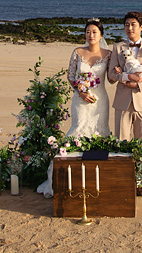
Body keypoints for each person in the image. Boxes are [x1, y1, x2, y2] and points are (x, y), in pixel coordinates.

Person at [36, 18, 111, 197]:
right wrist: (81, 90)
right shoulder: (77, 52)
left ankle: (96, 178)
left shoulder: (108, 54)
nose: (91, 35)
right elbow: (71, 76)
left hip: (100, 102)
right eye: (88, 32)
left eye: (94, 32)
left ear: (101, 35)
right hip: (80, 101)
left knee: (100, 133)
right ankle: (69, 178)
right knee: (77, 131)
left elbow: (112, 78)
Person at [107, 11, 142, 157]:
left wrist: (138, 85)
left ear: (141, 26)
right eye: (127, 25)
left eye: (133, 25)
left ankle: (140, 171)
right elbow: (111, 74)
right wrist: (126, 77)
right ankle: (122, 171)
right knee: (121, 143)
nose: (129, 28)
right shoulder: (118, 47)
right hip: (122, 101)